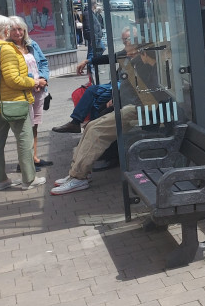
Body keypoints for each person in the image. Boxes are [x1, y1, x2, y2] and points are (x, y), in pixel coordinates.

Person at [52, 33, 159, 195]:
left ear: (141, 49)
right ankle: (76, 172)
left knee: (97, 130)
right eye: (125, 46)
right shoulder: (135, 60)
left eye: (130, 48)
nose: (126, 53)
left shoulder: (148, 63)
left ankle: (78, 177)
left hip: (142, 112)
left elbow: (146, 93)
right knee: (91, 126)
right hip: (132, 108)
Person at [0, 14, 46, 191]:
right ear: (5, 30)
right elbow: (13, 79)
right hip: (13, 102)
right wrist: (34, 82)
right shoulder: (5, 49)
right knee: (24, 140)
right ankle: (29, 179)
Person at [55, 26, 138, 134]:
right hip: (117, 84)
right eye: (123, 40)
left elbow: (135, 82)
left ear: (135, 39)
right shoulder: (126, 52)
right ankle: (83, 126)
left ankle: (86, 128)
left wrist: (117, 96)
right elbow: (109, 58)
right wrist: (88, 61)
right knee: (94, 97)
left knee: (94, 93)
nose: (124, 43)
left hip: (125, 88)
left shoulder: (140, 55)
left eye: (126, 40)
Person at [7, 16, 53, 170]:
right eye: (13, 29)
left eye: (20, 29)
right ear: (8, 31)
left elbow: (44, 63)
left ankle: (34, 157)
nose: (17, 32)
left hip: (38, 91)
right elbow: (14, 73)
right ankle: (24, 162)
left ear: (25, 30)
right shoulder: (7, 48)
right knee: (24, 128)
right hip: (22, 93)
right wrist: (34, 81)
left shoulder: (32, 44)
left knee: (34, 126)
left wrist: (43, 79)